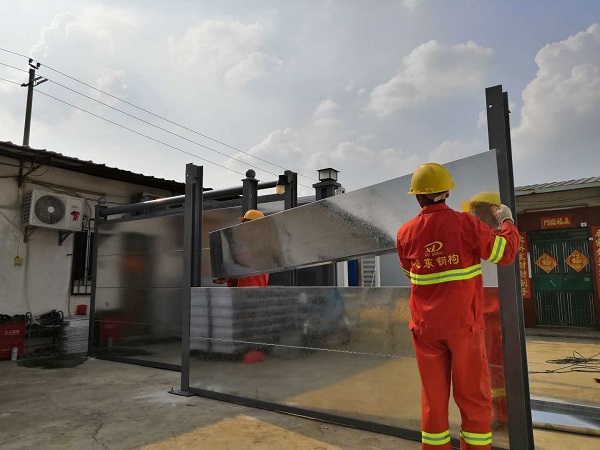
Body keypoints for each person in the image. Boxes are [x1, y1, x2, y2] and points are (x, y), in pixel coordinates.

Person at [396, 163, 519, 450]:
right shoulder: (467, 225)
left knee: (433, 400)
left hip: (425, 329)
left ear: (418, 197)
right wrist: (507, 222)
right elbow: (506, 253)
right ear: (447, 193)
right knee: (473, 398)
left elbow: (410, 274)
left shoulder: (405, 233)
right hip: (464, 327)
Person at [461, 192, 507, 431]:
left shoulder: (491, 239)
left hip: (492, 312)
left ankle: (502, 415)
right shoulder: (488, 238)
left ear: (490, 211)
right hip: (483, 312)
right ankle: (499, 413)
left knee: (495, 366)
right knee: (489, 366)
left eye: (476, 212)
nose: (472, 217)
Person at [212, 209, 269, 287]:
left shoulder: (262, 246)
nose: (244, 226)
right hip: (241, 291)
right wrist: (224, 276)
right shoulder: (240, 245)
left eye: (248, 223)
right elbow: (237, 271)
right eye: (244, 223)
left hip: (254, 291)